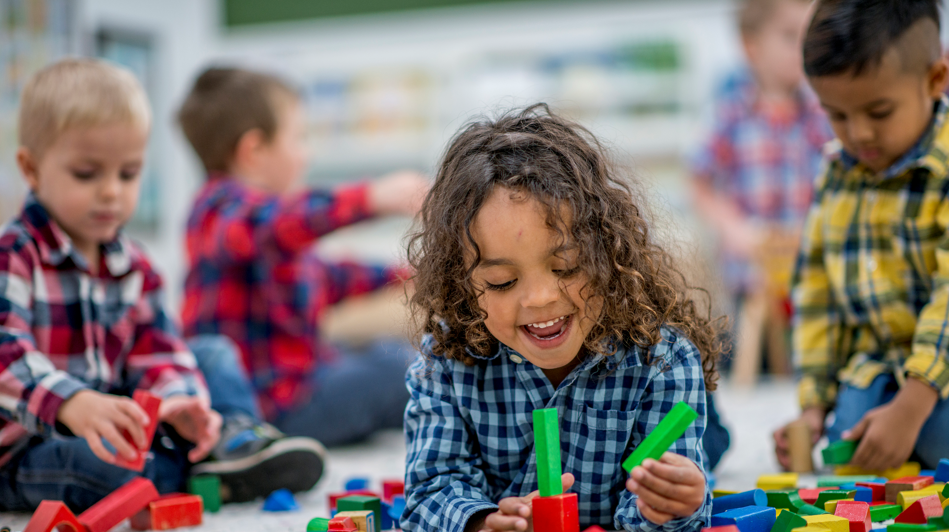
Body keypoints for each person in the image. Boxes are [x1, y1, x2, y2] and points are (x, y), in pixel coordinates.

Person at [0, 59, 323, 513]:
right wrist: (73, 403)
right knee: (105, 468)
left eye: (128, 174)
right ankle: (192, 471)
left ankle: (232, 443)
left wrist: (178, 400)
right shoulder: (15, 253)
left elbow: (158, 347)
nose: (111, 192)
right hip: (27, 447)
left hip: (118, 422)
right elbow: (6, 353)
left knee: (211, 353)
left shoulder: (134, 263)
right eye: (87, 174)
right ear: (31, 169)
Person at [402, 104, 721, 532]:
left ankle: (715, 431)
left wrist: (672, 506)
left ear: (608, 253)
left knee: (708, 449)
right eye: (501, 282)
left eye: (567, 267)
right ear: (461, 284)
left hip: (659, 381)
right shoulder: (445, 359)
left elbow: (660, 518)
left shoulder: (663, 359)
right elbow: (430, 492)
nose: (540, 298)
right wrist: (483, 523)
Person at [177, 67, 429, 446]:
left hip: (302, 383)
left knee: (387, 351)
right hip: (273, 407)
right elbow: (282, 222)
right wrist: (372, 198)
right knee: (402, 369)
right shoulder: (220, 212)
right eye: (298, 139)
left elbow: (325, 276)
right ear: (254, 151)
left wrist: (408, 274)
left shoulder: (262, 229)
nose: (306, 154)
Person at [773, 0, 949, 471]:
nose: (859, 134)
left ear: (935, 79)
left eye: (879, 111)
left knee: (937, 437)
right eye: (837, 115)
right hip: (878, 365)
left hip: (940, 369)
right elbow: (817, 295)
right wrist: (813, 408)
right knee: (846, 443)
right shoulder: (836, 174)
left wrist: (912, 406)